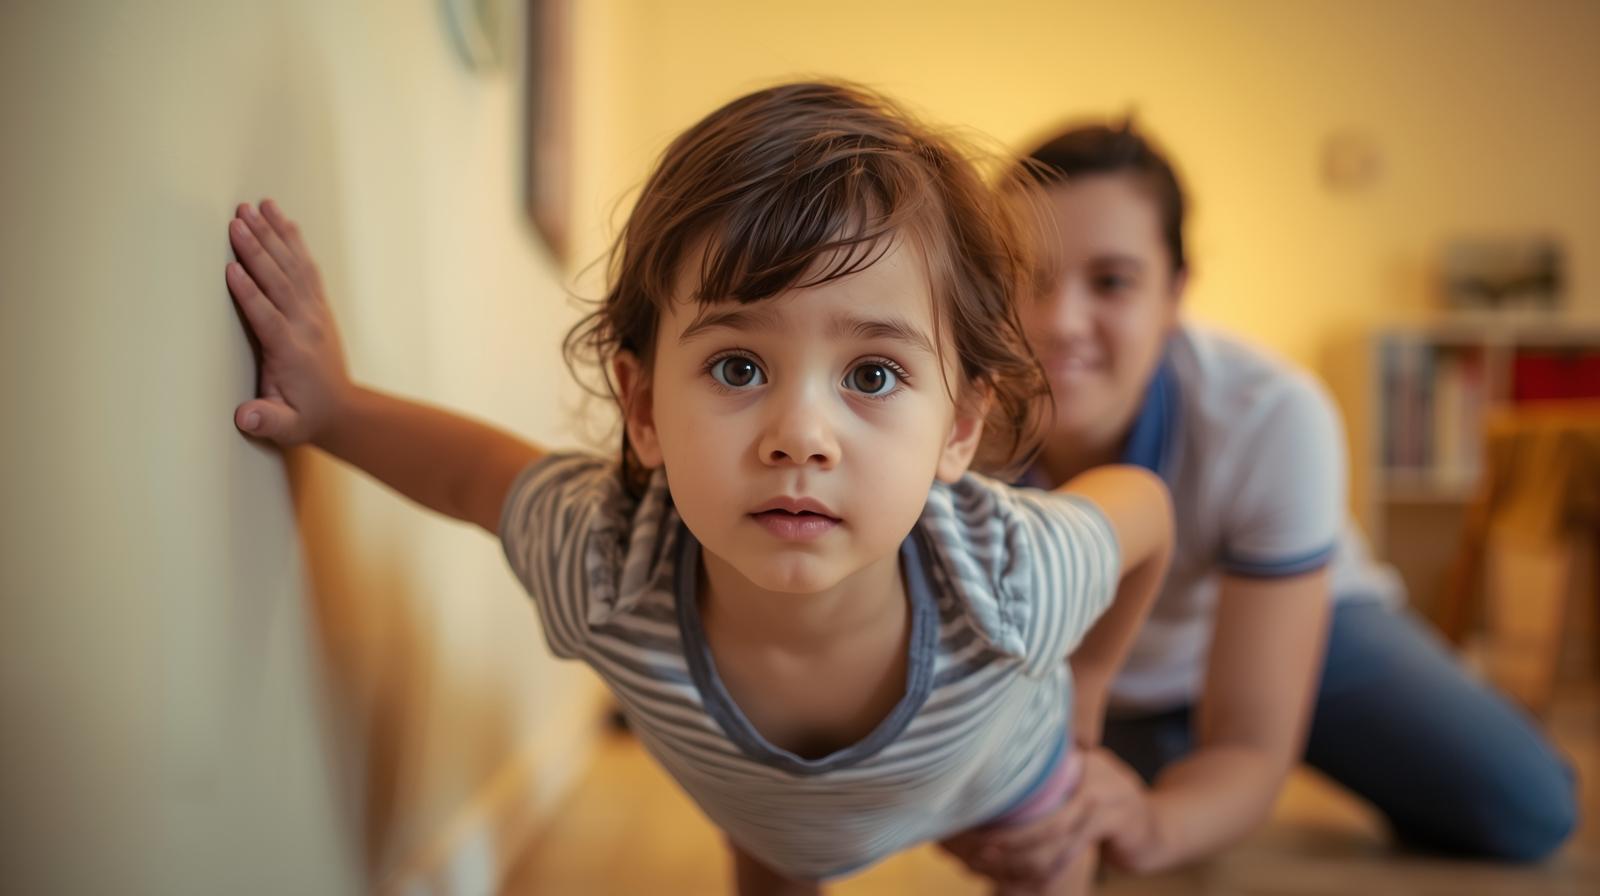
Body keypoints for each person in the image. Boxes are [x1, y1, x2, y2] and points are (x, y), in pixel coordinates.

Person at [222, 83, 1175, 895]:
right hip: (768, 819)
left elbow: (1147, 510)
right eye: (736, 368)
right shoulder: (606, 561)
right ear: (641, 406)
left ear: (960, 427)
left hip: (1004, 776)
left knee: (1044, 862)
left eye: (873, 376)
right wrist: (335, 409)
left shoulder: (1017, 578)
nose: (800, 436)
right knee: (776, 858)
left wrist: (1086, 685)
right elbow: (478, 475)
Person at [943, 121, 1578, 881]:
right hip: (1089, 672)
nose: (1059, 322)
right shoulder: (953, 423)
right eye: (1028, 279)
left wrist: (1156, 823)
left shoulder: (1270, 412)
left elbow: (1247, 741)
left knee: (1527, 809)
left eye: (1111, 281)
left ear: (1176, 293)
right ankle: (1169, 745)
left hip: (1298, 624)